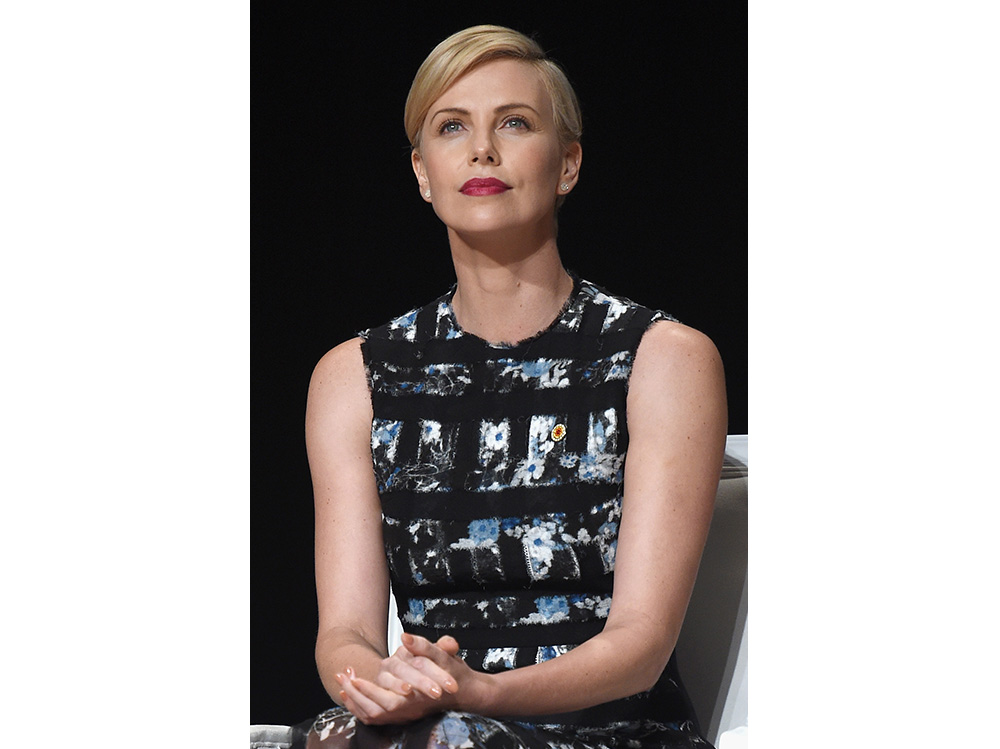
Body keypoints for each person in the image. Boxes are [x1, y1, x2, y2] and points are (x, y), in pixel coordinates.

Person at [296, 24, 727, 749]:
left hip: (609, 731)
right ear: (422, 173)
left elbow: (641, 642)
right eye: (452, 127)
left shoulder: (662, 359)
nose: (482, 150)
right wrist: (385, 687)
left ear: (568, 164)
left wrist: (483, 694)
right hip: (431, 726)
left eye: (515, 123)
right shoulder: (354, 376)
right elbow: (344, 634)